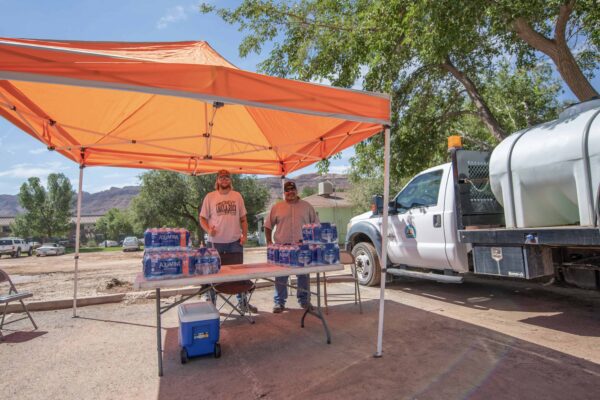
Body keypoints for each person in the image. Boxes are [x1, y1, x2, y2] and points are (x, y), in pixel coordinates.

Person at [199, 169, 257, 313]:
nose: (224, 179)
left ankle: (243, 304)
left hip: (235, 242)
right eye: (221, 177)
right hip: (215, 243)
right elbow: (202, 218)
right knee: (213, 275)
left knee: (239, 275)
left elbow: (243, 219)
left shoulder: (237, 196)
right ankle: (211, 306)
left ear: (230, 180)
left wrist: (244, 235)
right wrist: (208, 230)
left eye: (227, 177)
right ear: (217, 180)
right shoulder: (210, 197)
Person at [265, 180, 319, 313]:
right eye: (287, 190)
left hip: (303, 248)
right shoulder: (277, 207)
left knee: (303, 276)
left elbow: (316, 225)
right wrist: (269, 242)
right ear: (284, 193)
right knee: (281, 276)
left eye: (292, 190)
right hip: (282, 248)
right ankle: (279, 302)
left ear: (297, 191)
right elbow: (267, 225)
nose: (290, 192)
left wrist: (314, 243)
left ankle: (304, 301)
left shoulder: (307, 206)